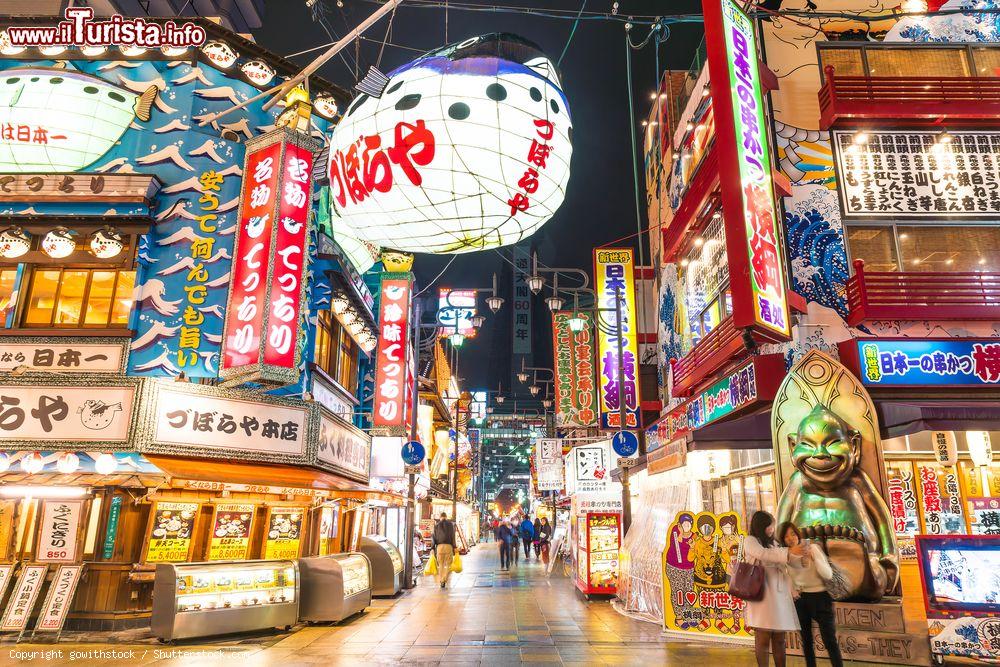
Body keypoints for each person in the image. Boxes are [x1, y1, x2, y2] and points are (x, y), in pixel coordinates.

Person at [743, 511, 807, 667]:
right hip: (762, 595)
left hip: (779, 596)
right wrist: (789, 552)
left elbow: (786, 562)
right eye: (770, 524)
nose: (773, 528)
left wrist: (803, 558)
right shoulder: (751, 541)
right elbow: (763, 554)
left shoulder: (775, 543)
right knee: (763, 638)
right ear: (762, 525)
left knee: (779, 638)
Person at [780, 522, 843, 667]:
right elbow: (786, 577)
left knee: (830, 641)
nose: (790, 538)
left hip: (821, 597)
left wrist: (814, 558)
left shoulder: (812, 548)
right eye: (786, 536)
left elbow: (827, 574)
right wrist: (793, 590)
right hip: (801, 601)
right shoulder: (785, 555)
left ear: (798, 534)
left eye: (793, 534)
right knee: (807, 642)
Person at [432, 512, 458, 588]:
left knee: (441, 565)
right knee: (449, 565)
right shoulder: (450, 525)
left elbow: (433, 537)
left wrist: (432, 548)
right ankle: (444, 579)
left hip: (439, 547)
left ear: (440, 517)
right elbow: (453, 536)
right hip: (448, 546)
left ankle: (441, 580)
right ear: (446, 517)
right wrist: (455, 547)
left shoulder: (436, 525)